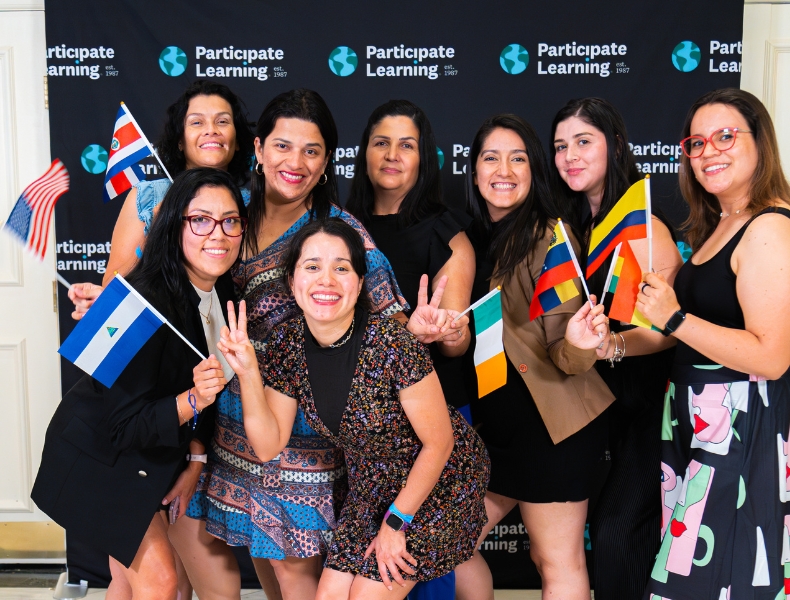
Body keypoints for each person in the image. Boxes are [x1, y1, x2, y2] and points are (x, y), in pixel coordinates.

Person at [170, 89, 410, 600]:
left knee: (296, 571)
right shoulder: (231, 212)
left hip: (305, 427)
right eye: (282, 146)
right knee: (267, 559)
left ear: (327, 162)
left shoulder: (341, 235)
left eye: (312, 150)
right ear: (257, 149)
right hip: (235, 421)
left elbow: (393, 330)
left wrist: (432, 332)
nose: (294, 162)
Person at [218, 217, 490, 600]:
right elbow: (267, 446)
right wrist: (248, 373)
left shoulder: (393, 343)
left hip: (442, 478)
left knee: (367, 596)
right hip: (372, 483)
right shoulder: (287, 345)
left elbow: (440, 444)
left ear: (360, 283)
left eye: (341, 268)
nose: (325, 279)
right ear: (293, 283)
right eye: (312, 267)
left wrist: (396, 523)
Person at [31, 168, 246, 600]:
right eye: (200, 220)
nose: (217, 234)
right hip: (97, 460)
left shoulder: (221, 293)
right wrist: (191, 399)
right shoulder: (144, 300)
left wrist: (196, 461)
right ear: (174, 226)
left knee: (132, 583)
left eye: (231, 220)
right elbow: (123, 425)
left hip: (149, 460)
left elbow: (205, 400)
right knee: (163, 582)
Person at [636, 88, 790, 598]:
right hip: (699, 425)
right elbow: (682, 336)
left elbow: (771, 356)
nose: (709, 152)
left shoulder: (769, 227)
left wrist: (674, 317)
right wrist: (608, 346)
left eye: (726, 136)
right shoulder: (721, 224)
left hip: (739, 434)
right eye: (696, 143)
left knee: (717, 583)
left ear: (760, 143)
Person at [453, 114, 614, 600]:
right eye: (491, 158)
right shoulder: (471, 239)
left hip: (554, 428)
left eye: (518, 158)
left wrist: (583, 344)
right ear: (475, 172)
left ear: (534, 170)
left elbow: (568, 352)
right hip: (498, 431)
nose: (504, 169)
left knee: (556, 561)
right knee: (451, 545)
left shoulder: (549, 237)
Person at [550, 97, 683, 600]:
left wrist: (610, 346)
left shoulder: (641, 229)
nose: (570, 156)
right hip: (595, 412)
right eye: (561, 146)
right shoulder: (572, 229)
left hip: (649, 412)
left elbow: (667, 330)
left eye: (584, 142)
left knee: (616, 534)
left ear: (616, 147)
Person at [345, 98, 474, 600]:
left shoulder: (449, 232)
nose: (392, 154)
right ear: (365, 152)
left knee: (420, 561)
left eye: (407, 144)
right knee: (364, 560)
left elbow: (456, 333)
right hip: (358, 418)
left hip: (430, 420)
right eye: (381, 142)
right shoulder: (340, 225)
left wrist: (444, 330)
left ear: (424, 157)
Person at [68, 79, 254, 317]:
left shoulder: (253, 206)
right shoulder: (149, 197)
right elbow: (114, 285)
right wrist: (158, 229)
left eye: (223, 121)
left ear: (237, 141)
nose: (211, 130)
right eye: (197, 122)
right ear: (179, 140)